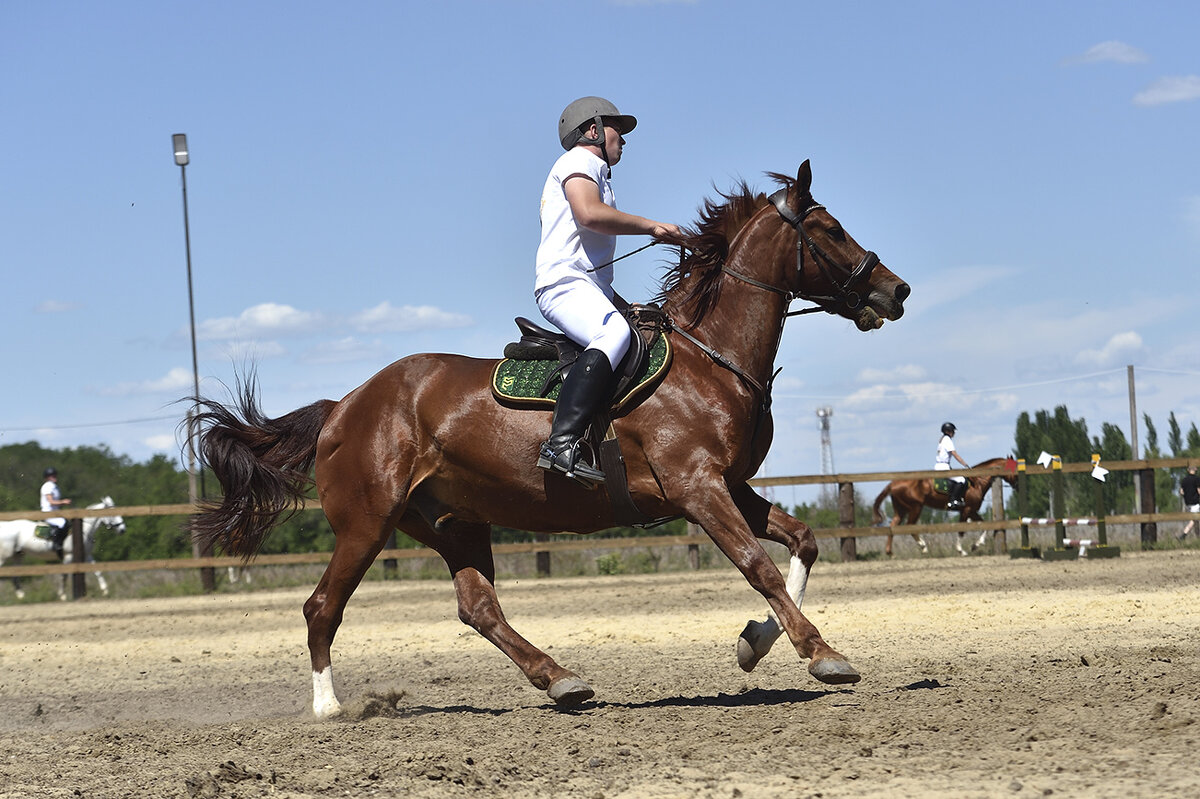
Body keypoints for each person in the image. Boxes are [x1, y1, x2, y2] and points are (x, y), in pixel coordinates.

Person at [534, 96, 683, 486]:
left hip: (581, 284)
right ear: (593, 130)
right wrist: (652, 226)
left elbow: (590, 261)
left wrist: (620, 303)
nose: (624, 139)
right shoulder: (580, 161)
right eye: (617, 128)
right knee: (613, 334)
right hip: (563, 283)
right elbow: (589, 214)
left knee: (627, 327)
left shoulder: (593, 167)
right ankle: (560, 443)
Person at [935, 422, 969, 510]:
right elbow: (954, 454)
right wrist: (965, 464)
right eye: (953, 431)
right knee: (961, 479)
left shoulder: (942, 440)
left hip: (939, 466)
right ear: (948, 431)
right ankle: (953, 500)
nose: (954, 433)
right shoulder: (947, 440)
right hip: (944, 467)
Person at [39, 466, 72, 554]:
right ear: (47, 477)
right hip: (48, 513)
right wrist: (63, 502)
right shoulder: (48, 486)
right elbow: (51, 502)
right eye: (52, 476)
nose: (54, 477)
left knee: (67, 522)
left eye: (54, 475)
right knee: (63, 523)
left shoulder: (55, 487)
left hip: (54, 513)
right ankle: (57, 544)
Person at [1180, 465, 1200, 540]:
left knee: (1196, 521)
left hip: (1187, 503)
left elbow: (1181, 492)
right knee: (1194, 520)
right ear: (1195, 469)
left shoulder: (1184, 480)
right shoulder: (1197, 479)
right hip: (1195, 503)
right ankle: (1183, 535)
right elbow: (1199, 491)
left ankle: (1198, 538)